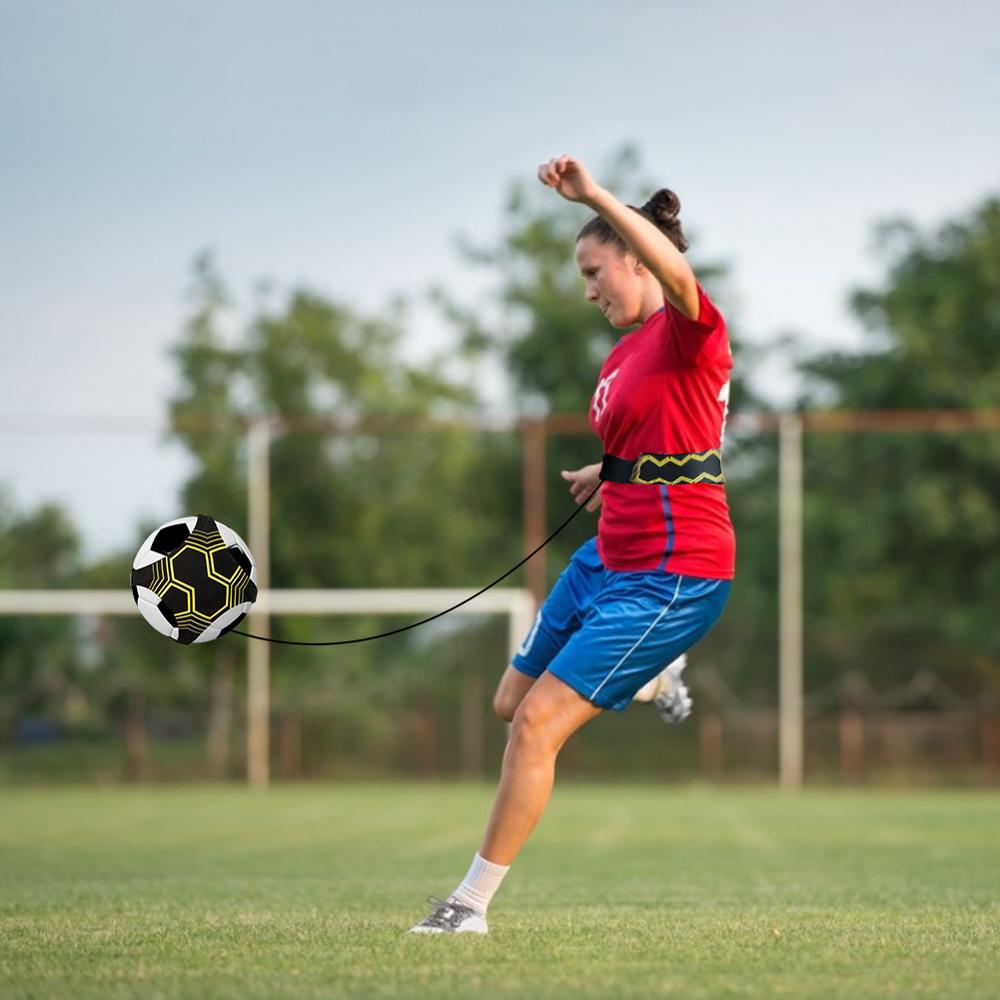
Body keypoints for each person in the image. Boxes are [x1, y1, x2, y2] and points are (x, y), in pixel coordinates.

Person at [410, 155, 735, 935]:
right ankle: (655, 677)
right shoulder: (623, 353)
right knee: (509, 704)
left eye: (596, 270)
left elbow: (677, 277)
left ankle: (469, 907)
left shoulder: (692, 330)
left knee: (538, 725)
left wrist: (593, 196)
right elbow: (665, 436)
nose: (589, 290)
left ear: (635, 254)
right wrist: (608, 470)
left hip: (674, 575)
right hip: (605, 562)